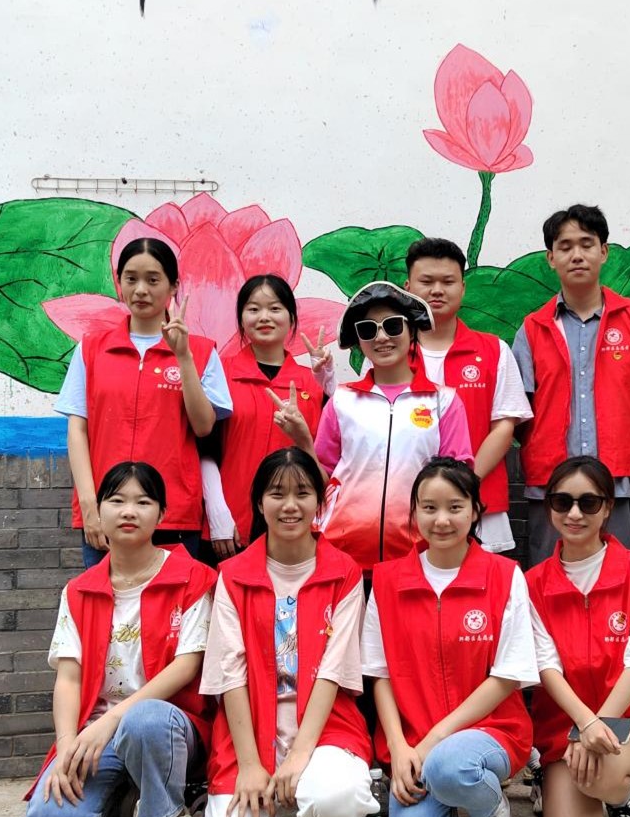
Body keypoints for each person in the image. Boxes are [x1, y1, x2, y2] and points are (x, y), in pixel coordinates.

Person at [24, 461, 216, 817]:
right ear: (98, 511)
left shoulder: (193, 578)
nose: (129, 511)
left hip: (171, 728)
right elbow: (69, 677)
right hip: (100, 734)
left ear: (162, 514)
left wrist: (111, 721)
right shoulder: (78, 591)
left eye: (143, 502)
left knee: (145, 720)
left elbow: (187, 666)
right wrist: (66, 745)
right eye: (117, 501)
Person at [200, 448, 376, 817]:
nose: (290, 505)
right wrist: (249, 765)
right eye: (277, 493)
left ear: (319, 501)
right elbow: (230, 674)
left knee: (338, 797)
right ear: (259, 503)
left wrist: (299, 755)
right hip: (249, 734)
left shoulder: (344, 572)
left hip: (325, 729)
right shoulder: (233, 575)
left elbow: (333, 670)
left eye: (303, 493)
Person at [362, 458, 538, 817]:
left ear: (475, 511)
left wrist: (432, 741)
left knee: (451, 766)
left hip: (491, 733)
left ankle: (489, 809)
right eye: (429, 508)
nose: (441, 520)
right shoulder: (387, 581)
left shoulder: (504, 575)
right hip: (413, 744)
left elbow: (507, 676)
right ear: (414, 512)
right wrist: (399, 748)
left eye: (455, 507)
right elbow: (379, 674)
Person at [525, 456, 630, 817]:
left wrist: (599, 728)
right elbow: (546, 666)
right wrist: (584, 725)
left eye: (588, 503)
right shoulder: (532, 585)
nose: (574, 514)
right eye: (562, 502)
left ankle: (622, 802)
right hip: (563, 731)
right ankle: (552, 782)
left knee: (603, 774)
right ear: (549, 507)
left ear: (607, 507)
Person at [56, 237, 233, 567]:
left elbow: (203, 426)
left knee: (175, 601)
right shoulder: (91, 349)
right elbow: (77, 430)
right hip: (108, 512)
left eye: (153, 280)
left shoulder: (202, 351)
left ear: (173, 286)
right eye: (131, 278)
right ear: (119, 282)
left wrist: (183, 357)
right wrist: (90, 505)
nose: (141, 290)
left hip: (174, 513)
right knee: (107, 599)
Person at [512, 205, 630, 568]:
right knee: (548, 588)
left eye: (586, 244)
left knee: (629, 584)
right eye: (565, 247)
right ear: (551, 258)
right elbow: (519, 414)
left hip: (624, 485)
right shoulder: (532, 329)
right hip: (552, 490)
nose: (577, 255)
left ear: (604, 251)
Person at [315, 281, 472, 571]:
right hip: (343, 556)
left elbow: (458, 478)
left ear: (412, 331)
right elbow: (322, 474)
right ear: (359, 340)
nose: (381, 337)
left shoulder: (444, 401)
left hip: (420, 555)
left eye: (393, 325)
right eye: (368, 329)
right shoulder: (341, 400)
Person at [402, 238, 532, 554]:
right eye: (426, 281)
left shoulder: (494, 350)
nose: (437, 290)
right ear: (408, 288)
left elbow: (504, 427)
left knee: (484, 582)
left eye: (447, 282)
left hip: (480, 501)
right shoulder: (390, 353)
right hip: (404, 504)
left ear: (463, 288)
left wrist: (463, 483)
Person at [201, 274, 334, 561]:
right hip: (231, 528)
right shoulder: (219, 373)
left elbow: (330, 463)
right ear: (241, 318)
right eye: (253, 309)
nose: (264, 317)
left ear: (291, 318)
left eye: (275, 308)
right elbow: (204, 448)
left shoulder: (312, 383)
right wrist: (217, 512)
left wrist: (329, 386)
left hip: (294, 527)